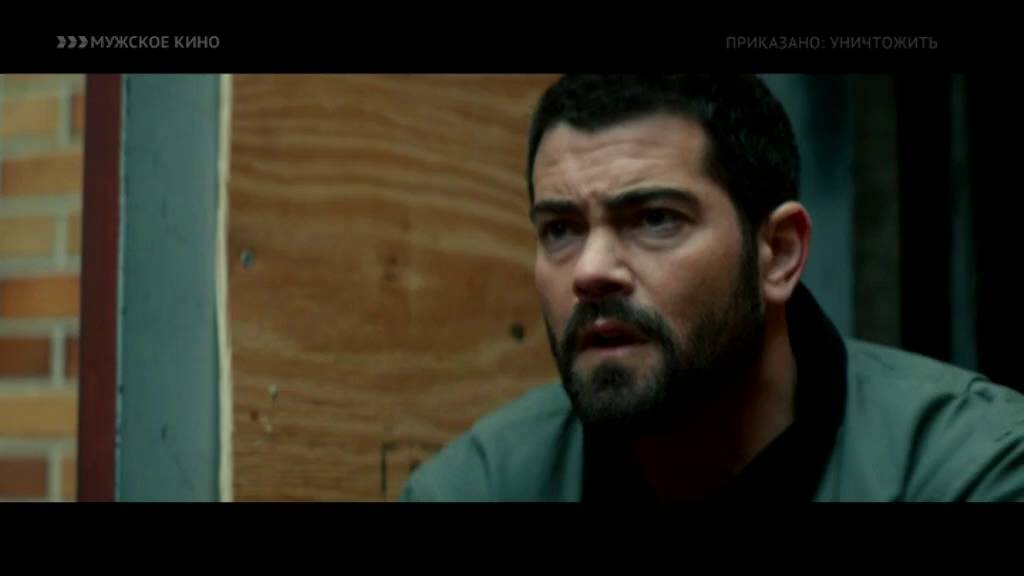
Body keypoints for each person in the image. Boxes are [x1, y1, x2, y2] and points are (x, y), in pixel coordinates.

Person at [400, 74, 1024, 502]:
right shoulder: (479, 485)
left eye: (655, 220)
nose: (590, 270)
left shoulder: (971, 466)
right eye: (561, 229)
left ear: (779, 254)